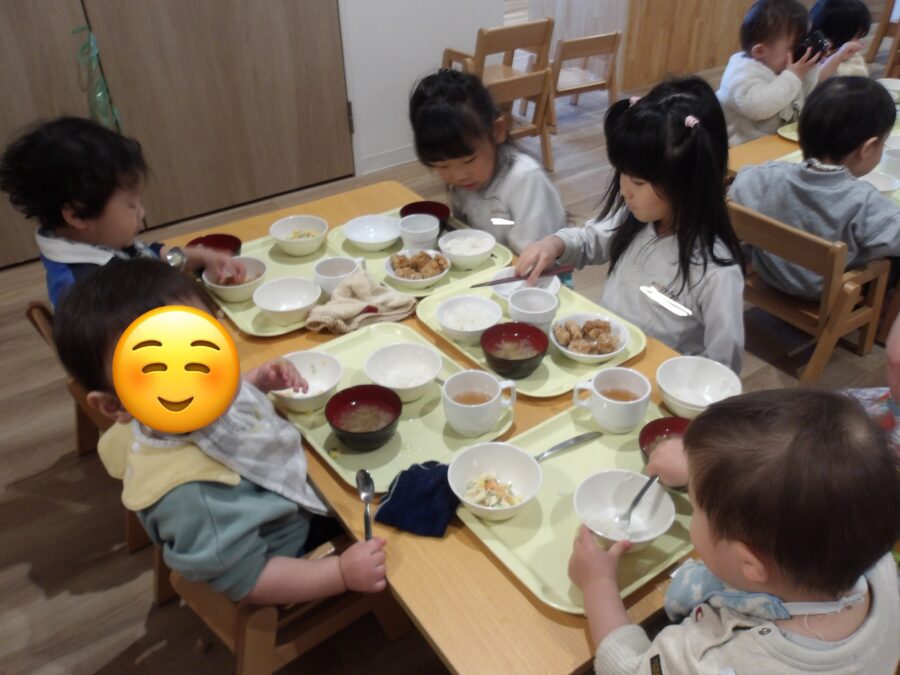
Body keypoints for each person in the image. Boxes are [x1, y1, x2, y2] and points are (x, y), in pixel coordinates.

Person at [52, 259, 387, 604]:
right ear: (114, 406)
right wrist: (340, 573)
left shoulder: (169, 413)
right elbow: (249, 580)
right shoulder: (195, 498)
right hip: (290, 549)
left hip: (274, 488)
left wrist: (254, 383)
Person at [570, 389, 900, 674]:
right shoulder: (869, 553)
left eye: (696, 506)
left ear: (749, 564)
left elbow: (628, 669)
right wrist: (705, 468)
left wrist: (598, 584)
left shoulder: (711, 659)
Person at [515, 77, 745, 373]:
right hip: (602, 363)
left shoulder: (716, 272)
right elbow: (591, 240)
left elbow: (723, 366)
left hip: (654, 382)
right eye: (622, 173)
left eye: (638, 181)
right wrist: (554, 244)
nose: (625, 190)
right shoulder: (636, 220)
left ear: (689, 180)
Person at [0, 116, 243, 307]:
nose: (142, 212)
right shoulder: (86, 294)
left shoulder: (100, 241)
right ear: (78, 215)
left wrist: (201, 257)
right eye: (131, 205)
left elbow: (154, 258)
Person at [729, 76, 899, 299]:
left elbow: (736, 191)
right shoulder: (866, 203)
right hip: (826, 294)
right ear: (867, 148)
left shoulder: (764, 176)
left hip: (770, 274)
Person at [408, 69, 568, 259]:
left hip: (535, 271)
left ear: (497, 131)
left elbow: (534, 256)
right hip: (492, 262)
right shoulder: (467, 182)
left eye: (468, 160)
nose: (458, 176)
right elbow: (466, 232)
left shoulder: (525, 179)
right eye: (442, 166)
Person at [716, 0, 821, 145]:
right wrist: (792, 77)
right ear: (760, 51)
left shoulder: (780, 67)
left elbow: (803, 92)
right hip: (741, 149)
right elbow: (758, 108)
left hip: (773, 143)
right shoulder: (741, 74)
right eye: (794, 47)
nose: (798, 51)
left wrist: (810, 65)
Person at [810, 0, 871, 78]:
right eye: (857, 37)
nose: (858, 44)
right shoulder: (809, 57)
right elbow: (815, 80)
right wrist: (838, 57)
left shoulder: (852, 58)